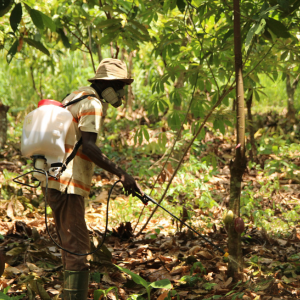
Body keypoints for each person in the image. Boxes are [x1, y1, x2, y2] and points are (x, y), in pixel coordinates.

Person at [42, 58, 142, 299]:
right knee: (77, 250)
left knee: (69, 246)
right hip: (68, 183)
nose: (121, 92)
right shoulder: (92, 103)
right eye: (119, 86)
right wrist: (122, 173)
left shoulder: (73, 97)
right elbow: (88, 147)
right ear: (107, 85)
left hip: (52, 179)